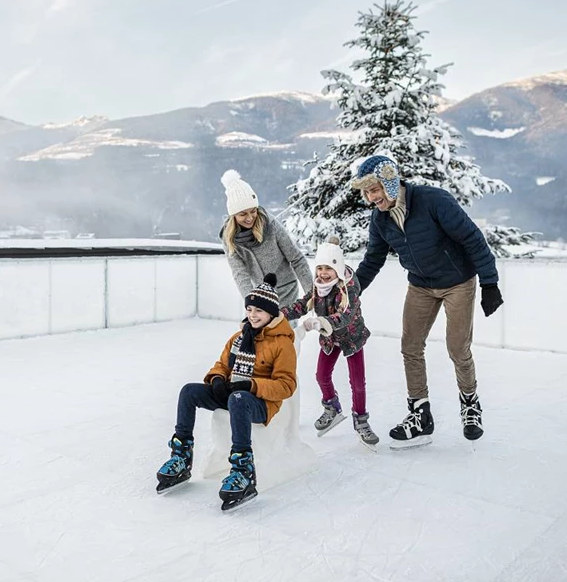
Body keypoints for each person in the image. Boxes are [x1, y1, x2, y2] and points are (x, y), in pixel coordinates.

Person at [351, 155, 504, 448]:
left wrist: (490, 283)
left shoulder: (434, 201)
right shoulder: (380, 219)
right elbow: (373, 259)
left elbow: (472, 238)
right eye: (367, 193)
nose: (371, 199)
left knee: (457, 347)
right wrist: (351, 292)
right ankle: (420, 414)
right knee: (410, 347)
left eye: (375, 190)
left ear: (390, 182)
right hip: (421, 286)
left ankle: (470, 403)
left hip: (458, 282)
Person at [155, 273, 297, 512]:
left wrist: (252, 385)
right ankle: (181, 456)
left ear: (271, 314)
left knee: (238, 398)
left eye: (259, 311)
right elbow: (221, 365)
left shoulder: (282, 343)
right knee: (189, 391)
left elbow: (286, 385)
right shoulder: (238, 338)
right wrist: (218, 379)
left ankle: (244, 470)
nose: (252, 315)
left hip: (260, 403)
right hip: (233, 393)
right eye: (250, 309)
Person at [281, 236, 378, 446]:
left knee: (357, 383)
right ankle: (332, 407)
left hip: (352, 338)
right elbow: (301, 305)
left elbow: (346, 315)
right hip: (330, 338)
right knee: (321, 375)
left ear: (338, 269)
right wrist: (277, 314)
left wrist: (320, 322)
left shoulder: (349, 288)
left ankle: (361, 420)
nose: (323, 273)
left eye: (328, 268)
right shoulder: (318, 286)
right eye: (320, 268)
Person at [220, 169, 313, 308]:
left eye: (253, 211)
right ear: (233, 215)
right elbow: (240, 274)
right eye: (243, 214)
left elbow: (296, 258)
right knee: (264, 330)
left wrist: (311, 293)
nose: (250, 217)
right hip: (261, 296)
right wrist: (251, 303)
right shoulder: (229, 239)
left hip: (286, 290)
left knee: (285, 329)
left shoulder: (270, 225)